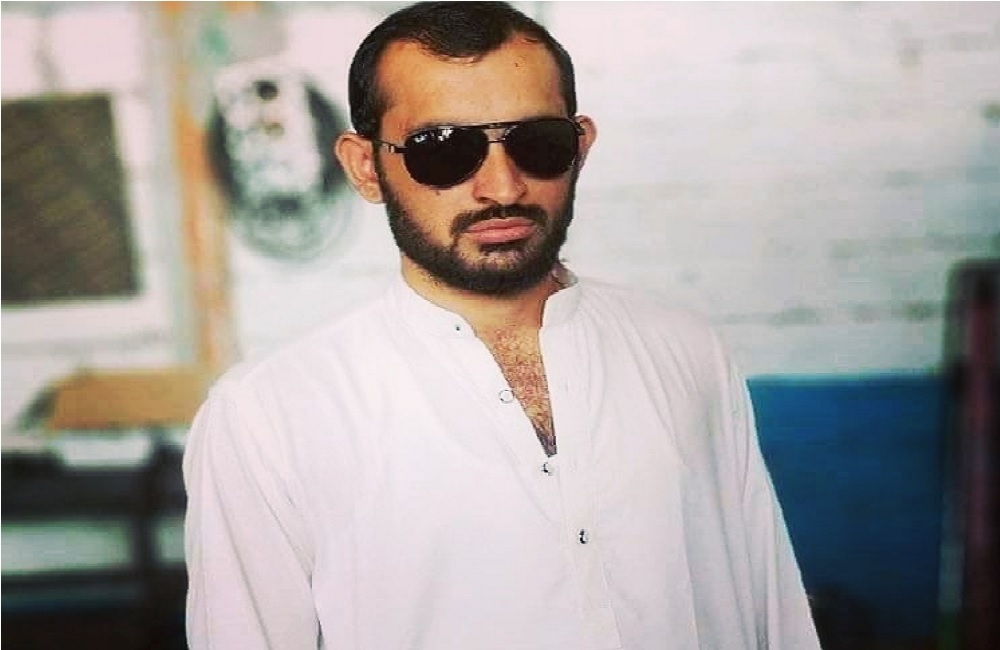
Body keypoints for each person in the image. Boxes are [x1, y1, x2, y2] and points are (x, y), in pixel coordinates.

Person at [183, 2, 822, 648]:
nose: (502, 187)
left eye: (537, 143)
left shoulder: (685, 352)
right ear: (366, 167)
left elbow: (774, 619)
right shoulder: (269, 416)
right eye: (443, 150)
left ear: (580, 147)